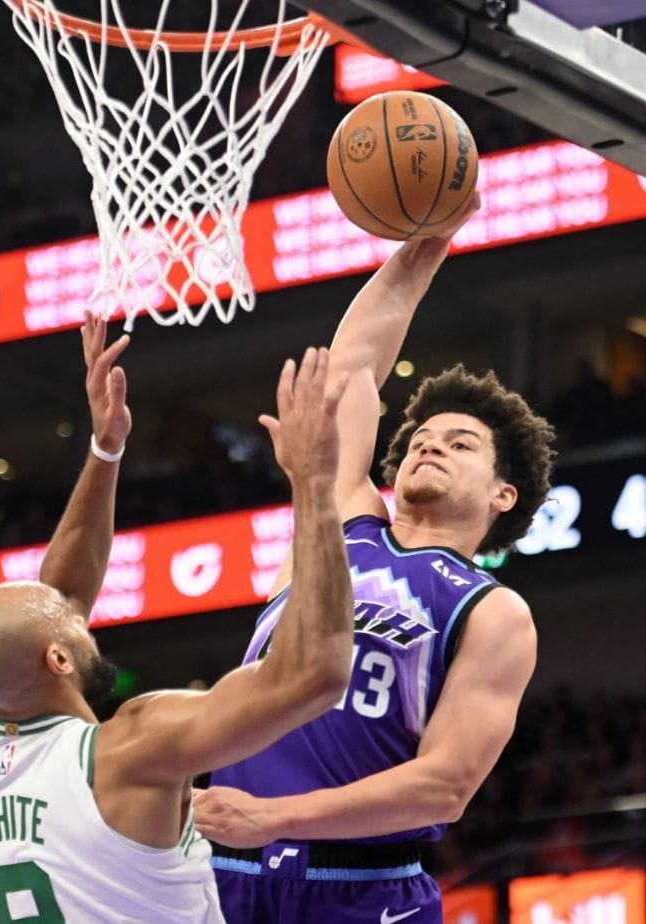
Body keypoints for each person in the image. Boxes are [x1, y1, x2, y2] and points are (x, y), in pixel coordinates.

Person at [195, 193, 552, 924]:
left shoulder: (490, 610)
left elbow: (444, 786)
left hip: (360, 887)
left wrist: (279, 818)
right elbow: (351, 370)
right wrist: (421, 255)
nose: (430, 444)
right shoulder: (342, 527)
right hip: (218, 872)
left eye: (461, 445)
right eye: (424, 436)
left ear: (502, 495)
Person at [0, 313, 356, 922]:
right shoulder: (130, 749)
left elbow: (49, 607)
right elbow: (318, 674)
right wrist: (315, 486)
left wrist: (104, 447)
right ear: (58, 658)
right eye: (72, 622)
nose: (80, 611)